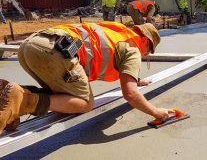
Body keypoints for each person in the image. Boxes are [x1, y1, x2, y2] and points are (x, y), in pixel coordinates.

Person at [0, 22, 175, 134]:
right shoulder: (133, 48)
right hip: (58, 52)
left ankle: (7, 96)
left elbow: (108, 55)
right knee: (84, 103)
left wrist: (135, 80)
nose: (144, 56)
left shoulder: (116, 32)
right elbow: (130, 94)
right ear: (146, 41)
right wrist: (156, 112)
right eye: (148, 52)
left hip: (30, 45)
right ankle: (23, 101)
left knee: (58, 96)